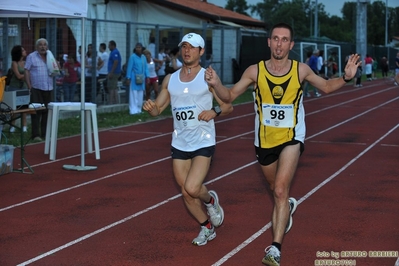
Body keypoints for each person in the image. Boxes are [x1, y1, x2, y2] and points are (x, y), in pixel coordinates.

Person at [205, 22, 360, 266]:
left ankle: (275, 249)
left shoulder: (301, 70)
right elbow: (230, 96)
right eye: (275, 39)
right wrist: (216, 85)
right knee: (274, 188)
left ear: (291, 44)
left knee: (279, 188)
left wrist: (346, 77)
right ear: (269, 42)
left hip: (292, 137)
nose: (279, 43)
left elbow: (327, 87)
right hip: (264, 140)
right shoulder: (255, 72)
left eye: (284, 39)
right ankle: (286, 205)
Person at [143, 32, 233, 246]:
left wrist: (214, 112)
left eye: (192, 47)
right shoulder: (170, 79)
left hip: (203, 140)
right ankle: (207, 227)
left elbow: (229, 105)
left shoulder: (207, 77)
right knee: (186, 191)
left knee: (193, 188)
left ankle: (211, 200)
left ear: (201, 52)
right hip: (180, 142)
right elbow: (158, 110)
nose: (187, 50)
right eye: (184, 46)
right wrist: (150, 108)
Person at [25, 38, 55, 141]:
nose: (43, 47)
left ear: (47, 47)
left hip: (49, 87)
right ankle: (35, 135)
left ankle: (45, 134)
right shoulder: (31, 57)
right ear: (37, 47)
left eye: (44, 45)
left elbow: (55, 70)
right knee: (36, 112)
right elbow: (27, 71)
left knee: (47, 112)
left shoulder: (50, 56)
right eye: (40, 45)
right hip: (36, 88)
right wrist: (29, 86)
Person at [9, 45, 28, 133]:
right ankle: (12, 127)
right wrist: (27, 76)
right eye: (23, 50)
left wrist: (26, 77)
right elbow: (18, 76)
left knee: (24, 107)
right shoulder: (14, 63)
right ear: (19, 53)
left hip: (23, 87)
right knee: (14, 109)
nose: (25, 51)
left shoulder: (25, 62)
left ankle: (24, 126)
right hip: (14, 87)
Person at [126, 43, 148, 114]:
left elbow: (145, 67)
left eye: (139, 47)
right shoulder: (132, 57)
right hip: (134, 78)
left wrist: (147, 76)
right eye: (137, 47)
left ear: (142, 48)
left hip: (141, 78)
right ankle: (133, 110)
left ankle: (139, 109)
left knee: (140, 94)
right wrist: (128, 77)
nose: (138, 49)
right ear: (135, 48)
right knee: (133, 94)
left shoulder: (143, 57)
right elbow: (129, 68)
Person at [107, 40, 122, 104]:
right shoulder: (114, 52)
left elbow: (116, 62)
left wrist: (111, 72)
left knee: (112, 88)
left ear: (113, 46)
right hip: (114, 72)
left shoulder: (114, 52)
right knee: (114, 87)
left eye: (109, 46)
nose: (108, 47)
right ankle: (116, 101)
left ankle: (111, 102)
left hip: (114, 73)